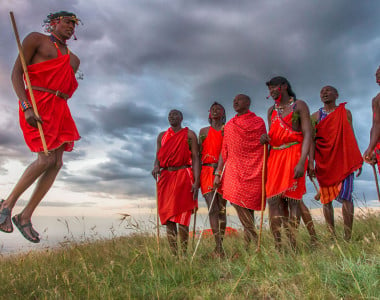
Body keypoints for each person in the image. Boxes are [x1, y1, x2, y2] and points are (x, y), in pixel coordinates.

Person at [0, 11, 81, 243]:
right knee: (45, 158)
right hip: (37, 103)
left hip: (60, 108)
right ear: (54, 23)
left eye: (74, 25)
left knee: (56, 163)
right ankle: (6, 205)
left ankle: (25, 216)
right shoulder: (36, 39)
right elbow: (16, 73)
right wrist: (26, 106)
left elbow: (65, 86)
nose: (71, 27)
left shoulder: (74, 60)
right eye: (67, 22)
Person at [261, 76, 312, 250]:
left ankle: (293, 243)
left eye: (273, 87)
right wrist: (265, 139)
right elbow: (273, 134)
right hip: (275, 157)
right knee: (273, 200)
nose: (271, 91)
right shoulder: (271, 111)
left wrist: (302, 161)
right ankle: (278, 245)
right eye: (269, 89)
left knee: (293, 201)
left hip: (294, 153)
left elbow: (307, 135)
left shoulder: (299, 106)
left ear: (283, 86)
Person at [309, 86, 362, 241]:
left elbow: (351, 136)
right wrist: (310, 162)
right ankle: (332, 236)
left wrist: (357, 159)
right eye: (322, 91)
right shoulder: (315, 117)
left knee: (347, 196)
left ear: (337, 95)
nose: (324, 93)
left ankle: (347, 237)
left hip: (343, 160)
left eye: (328, 90)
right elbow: (311, 141)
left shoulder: (345, 113)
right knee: (326, 199)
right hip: (324, 162)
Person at [214, 94, 266, 249]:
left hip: (255, 166)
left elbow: (263, 145)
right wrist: (218, 172)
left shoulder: (258, 122)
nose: (235, 101)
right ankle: (255, 239)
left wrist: (265, 140)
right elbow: (225, 150)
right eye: (233, 100)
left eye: (239, 99)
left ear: (248, 103)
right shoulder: (230, 125)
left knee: (249, 208)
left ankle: (247, 246)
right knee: (237, 202)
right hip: (234, 169)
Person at [152, 110, 199, 256]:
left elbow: (196, 158)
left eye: (175, 115)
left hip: (183, 175)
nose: (171, 117)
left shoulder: (189, 135)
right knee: (168, 217)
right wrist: (156, 166)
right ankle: (174, 255)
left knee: (182, 217)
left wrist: (196, 181)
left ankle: (184, 254)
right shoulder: (162, 136)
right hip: (166, 177)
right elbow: (158, 156)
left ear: (181, 118)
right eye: (169, 115)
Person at [199, 102, 227, 257]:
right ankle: (218, 247)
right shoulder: (203, 131)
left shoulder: (227, 130)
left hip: (224, 171)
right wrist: (195, 178)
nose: (215, 111)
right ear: (209, 113)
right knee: (212, 208)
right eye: (213, 109)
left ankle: (220, 246)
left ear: (223, 113)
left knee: (222, 210)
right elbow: (197, 154)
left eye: (219, 109)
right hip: (207, 170)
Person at [363, 65, 380, 169]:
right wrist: (371, 149)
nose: (377, 75)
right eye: (377, 74)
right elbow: (376, 125)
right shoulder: (376, 100)